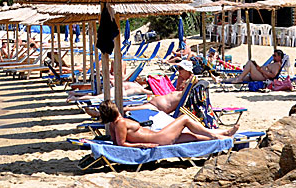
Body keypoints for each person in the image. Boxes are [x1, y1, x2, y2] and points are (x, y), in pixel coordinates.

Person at [99, 99, 238, 147]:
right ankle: (216, 135)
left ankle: (223, 135)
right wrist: (142, 145)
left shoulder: (114, 124)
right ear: (113, 109)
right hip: (158, 138)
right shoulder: (120, 123)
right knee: (184, 119)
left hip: (158, 137)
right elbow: (122, 144)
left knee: (195, 137)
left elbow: (116, 141)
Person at [126, 60, 197, 115]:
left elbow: (194, 80)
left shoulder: (188, 85)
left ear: (188, 70)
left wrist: (190, 79)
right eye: (178, 68)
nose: (179, 70)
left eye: (181, 68)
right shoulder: (181, 80)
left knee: (126, 109)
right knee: (129, 106)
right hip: (156, 103)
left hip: (157, 107)